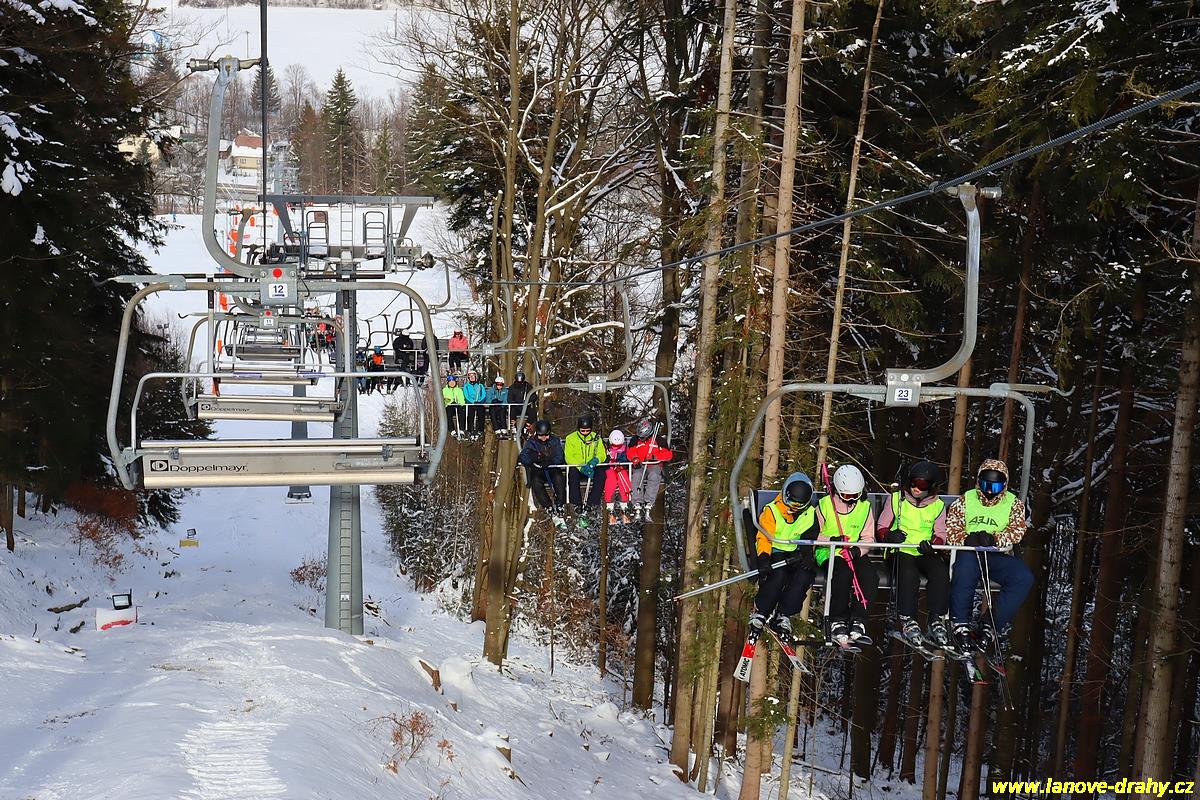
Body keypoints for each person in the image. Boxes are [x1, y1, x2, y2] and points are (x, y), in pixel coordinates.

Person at [946, 459, 1033, 657]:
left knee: (1023, 577)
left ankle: (990, 624)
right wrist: (967, 539)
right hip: (970, 552)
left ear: (1004, 485)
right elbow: (951, 528)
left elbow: (1017, 531)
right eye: (985, 485)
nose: (989, 491)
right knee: (964, 571)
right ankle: (960, 623)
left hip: (996, 554)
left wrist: (995, 539)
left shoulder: (1013, 504)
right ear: (979, 482)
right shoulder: (966, 500)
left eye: (995, 487)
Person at [876, 460, 952, 651]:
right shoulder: (896, 500)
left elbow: (941, 533)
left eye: (922, 485)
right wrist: (889, 536)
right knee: (908, 573)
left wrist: (934, 544)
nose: (916, 488)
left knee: (940, 572)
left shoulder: (937, 506)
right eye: (913, 483)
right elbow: (882, 526)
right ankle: (907, 618)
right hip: (900, 549)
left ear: (931, 487)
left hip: (923, 550)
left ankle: (936, 618)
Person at [815, 464, 879, 647]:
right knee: (843, 574)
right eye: (847, 496)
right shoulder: (825, 505)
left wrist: (857, 550)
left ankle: (859, 619)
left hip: (853, 551)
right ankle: (838, 619)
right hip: (829, 551)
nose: (851, 500)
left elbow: (868, 537)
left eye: (855, 495)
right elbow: (813, 534)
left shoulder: (864, 507)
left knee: (869, 576)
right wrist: (832, 540)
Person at [749, 472, 818, 640]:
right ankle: (762, 610)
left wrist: (807, 554)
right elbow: (764, 537)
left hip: (795, 553)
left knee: (804, 575)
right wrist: (763, 557)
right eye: (792, 503)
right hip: (774, 551)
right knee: (778, 574)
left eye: (799, 505)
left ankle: (784, 614)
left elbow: (810, 537)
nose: (795, 507)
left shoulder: (809, 514)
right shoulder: (772, 511)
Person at [626, 419, 674, 520]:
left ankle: (649, 500)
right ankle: (637, 501)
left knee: (654, 476)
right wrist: (635, 458)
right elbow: (630, 451)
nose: (641, 439)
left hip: (653, 464)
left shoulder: (659, 440)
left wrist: (654, 457)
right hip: (640, 464)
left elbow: (668, 455)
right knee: (636, 476)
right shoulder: (635, 440)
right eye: (640, 437)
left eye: (643, 437)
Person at [518, 419, 566, 516]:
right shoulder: (532, 442)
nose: (544, 438)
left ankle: (560, 503)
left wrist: (550, 461)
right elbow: (523, 457)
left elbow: (560, 457)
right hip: (538, 470)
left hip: (552, 468)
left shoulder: (554, 441)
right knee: (536, 482)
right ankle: (547, 505)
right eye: (541, 435)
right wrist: (535, 458)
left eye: (546, 435)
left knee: (559, 479)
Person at [563, 414, 607, 508]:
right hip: (578, 467)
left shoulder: (596, 438)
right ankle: (576, 503)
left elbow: (602, 453)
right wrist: (581, 467)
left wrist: (595, 460)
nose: (585, 433)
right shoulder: (570, 438)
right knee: (572, 473)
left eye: (588, 430)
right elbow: (569, 457)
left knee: (601, 475)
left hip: (591, 467)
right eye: (583, 431)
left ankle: (592, 502)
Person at [602, 430, 633, 524]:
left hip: (620, 469)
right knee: (610, 481)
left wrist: (620, 463)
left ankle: (624, 506)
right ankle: (610, 507)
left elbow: (627, 458)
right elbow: (603, 459)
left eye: (618, 445)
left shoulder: (625, 449)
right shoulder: (607, 449)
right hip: (610, 469)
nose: (616, 447)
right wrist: (609, 460)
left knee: (624, 479)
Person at [461, 370, 487, 439]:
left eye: (473, 376)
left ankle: (480, 430)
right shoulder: (466, 386)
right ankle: (470, 430)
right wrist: (472, 402)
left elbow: (484, 395)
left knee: (481, 413)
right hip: (470, 404)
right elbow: (466, 396)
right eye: (470, 376)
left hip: (479, 403)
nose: (472, 377)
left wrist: (480, 401)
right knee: (470, 414)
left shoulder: (480, 386)